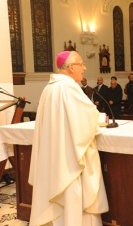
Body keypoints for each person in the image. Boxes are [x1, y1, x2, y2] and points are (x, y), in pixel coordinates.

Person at [29, 51, 108, 225]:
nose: (84, 68)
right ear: (71, 67)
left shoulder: (49, 88)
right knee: (72, 195)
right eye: (81, 64)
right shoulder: (69, 88)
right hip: (68, 159)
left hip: (54, 157)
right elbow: (87, 119)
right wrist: (102, 119)